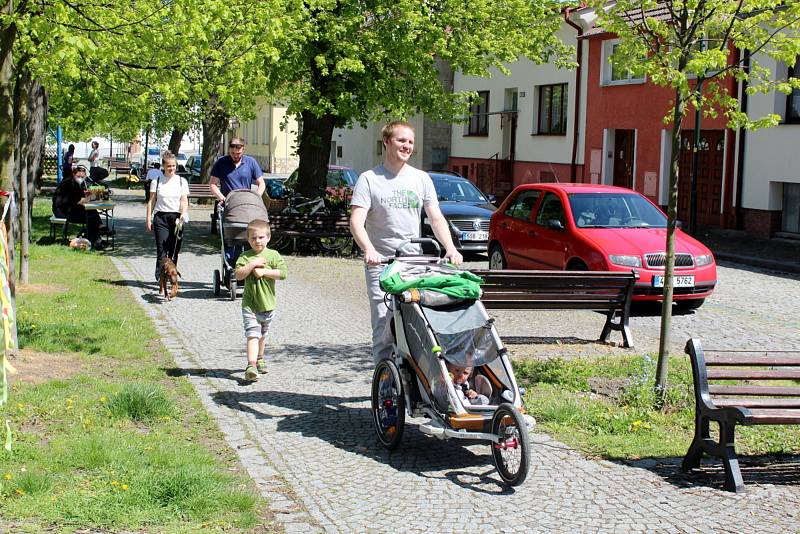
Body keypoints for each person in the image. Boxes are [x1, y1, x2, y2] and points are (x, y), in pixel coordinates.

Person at [349, 121, 463, 365]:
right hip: (382, 262)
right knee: (384, 323)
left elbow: (435, 217)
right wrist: (368, 249)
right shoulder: (369, 179)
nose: (407, 146)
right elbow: (356, 221)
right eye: (401, 140)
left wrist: (450, 248)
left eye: (410, 142)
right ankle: (385, 381)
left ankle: (415, 378)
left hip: (414, 262)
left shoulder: (421, 179)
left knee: (419, 319)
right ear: (387, 143)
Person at [234, 219, 287, 382]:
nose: (257, 241)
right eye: (253, 238)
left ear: (268, 238)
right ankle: (251, 365)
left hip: (268, 304)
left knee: (262, 335)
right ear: (248, 239)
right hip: (250, 305)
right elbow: (238, 275)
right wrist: (252, 265)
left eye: (261, 237)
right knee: (252, 334)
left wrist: (264, 271)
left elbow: (283, 273)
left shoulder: (273, 255)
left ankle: (260, 358)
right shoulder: (245, 256)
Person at [210, 137, 265, 264]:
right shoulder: (221, 163)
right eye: (233, 153)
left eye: (238, 153)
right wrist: (222, 198)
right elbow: (213, 184)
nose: (235, 156)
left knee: (244, 236)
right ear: (229, 150)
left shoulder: (250, 162)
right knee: (229, 237)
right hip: (229, 205)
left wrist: (256, 197)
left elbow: (261, 183)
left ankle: (242, 264)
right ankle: (229, 264)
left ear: (243, 150)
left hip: (246, 206)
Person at [146, 153, 189, 281]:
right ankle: (161, 275)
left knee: (174, 248)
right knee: (162, 248)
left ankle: (172, 273)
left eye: (173, 166)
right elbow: (151, 201)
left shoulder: (182, 181)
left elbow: (184, 200)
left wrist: (183, 213)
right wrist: (148, 218)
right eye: (169, 166)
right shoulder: (157, 181)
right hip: (161, 217)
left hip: (176, 218)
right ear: (163, 166)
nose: (171, 168)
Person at [52, 164, 104, 250]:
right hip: (62, 212)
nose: (80, 178)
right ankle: (94, 239)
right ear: (73, 174)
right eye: (78, 176)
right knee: (91, 216)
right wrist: (90, 197)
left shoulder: (75, 182)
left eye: (82, 177)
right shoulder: (70, 184)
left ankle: (96, 237)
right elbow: (78, 201)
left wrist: (88, 197)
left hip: (68, 209)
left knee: (92, 212)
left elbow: (79, 199)